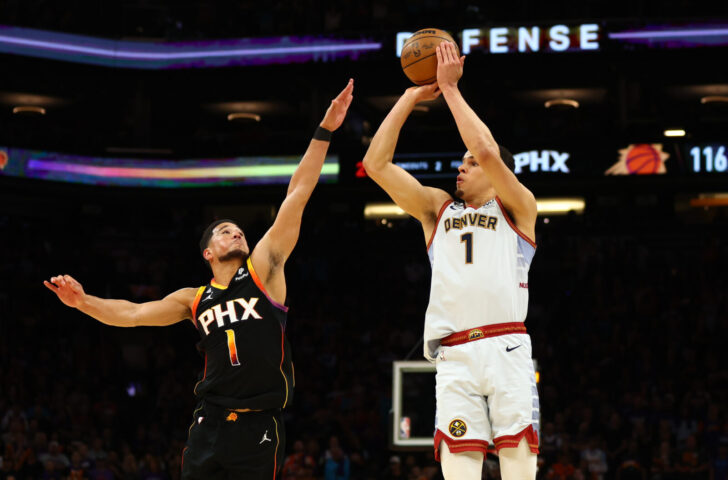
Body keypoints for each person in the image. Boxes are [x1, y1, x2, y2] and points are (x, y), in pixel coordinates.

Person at [43, 79, 354, 480]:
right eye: (225, 230)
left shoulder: (264, 271)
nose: (236, 232)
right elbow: (134, 313)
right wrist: (84, 302)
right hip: (208, 422)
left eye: (238, 229)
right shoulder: (194, 298)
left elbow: (298, 192)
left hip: (259, 423)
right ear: (207, 252)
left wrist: (325, 129)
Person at [362, 42, 539, 480]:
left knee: (519, 462)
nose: (461, 168)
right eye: (461, 163)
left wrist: (451, 90)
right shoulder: (438, 209)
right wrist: (409, 98)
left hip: (507, 346)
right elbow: (375, 164)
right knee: (458, 465)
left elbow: (488, 149)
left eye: (469, 163)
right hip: (454, 354)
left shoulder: (518, 208)